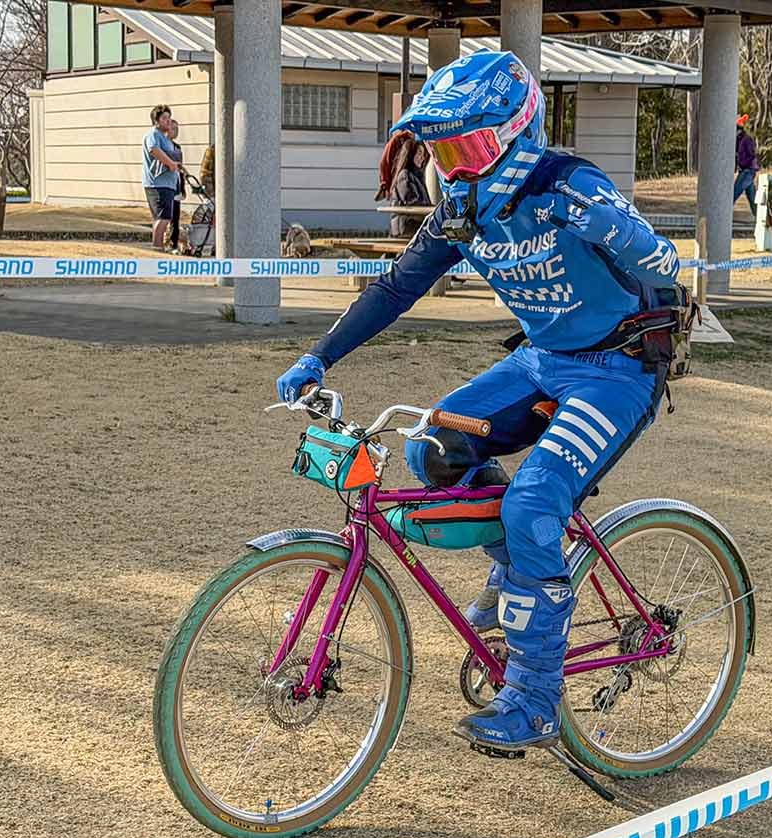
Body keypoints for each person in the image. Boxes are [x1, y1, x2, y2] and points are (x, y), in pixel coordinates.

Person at [276, 51, 681, 753]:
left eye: (472, 147)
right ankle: (513, 567)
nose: (457, 168)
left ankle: (535, 697)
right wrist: (319, 355)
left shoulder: (568, 182)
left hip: (617, 369)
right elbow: (397, 288)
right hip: (541, 360)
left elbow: (662, 264)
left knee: (532, 502)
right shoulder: (461, 210)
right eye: (444, 151)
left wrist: (623, 233)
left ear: (521, 134)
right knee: (429, 448)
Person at [375, 130, 432, 238]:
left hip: (411, 228)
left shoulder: (416, 176)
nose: (422, 157)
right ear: (410, 155)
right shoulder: (405, 176)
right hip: (406, 229)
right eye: (419, 153)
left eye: (423, 154)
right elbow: (413, 205)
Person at [143, 105, 182, 252]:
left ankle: (157, 247)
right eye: (164, 118)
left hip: (169, 184)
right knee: (163, 218)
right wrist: (171, 163)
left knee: (163, 218)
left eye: (169, 118)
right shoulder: (153, 135)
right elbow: (154, 150)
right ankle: (157, 248)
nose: (168, 121)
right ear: (156, 121)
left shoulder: (166, 140)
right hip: (157, 184)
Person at [733, 115, 759, 218]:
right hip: (747, 171)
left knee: (734, 194)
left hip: (748, 170)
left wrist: (742, 163)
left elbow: (752, 156)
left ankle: (722, 216)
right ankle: (761, 218)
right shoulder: (738, 140)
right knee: (752, 200)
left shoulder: (746, 140)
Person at [167, 119, 186, 253]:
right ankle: (163, 242)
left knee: (176, 217)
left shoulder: (177, 148)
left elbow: (180, 169)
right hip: (165, 185)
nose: (176, 131)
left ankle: (173, 244)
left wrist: (183, 187)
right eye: (173, 128)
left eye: (177, 128)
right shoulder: (162, 146)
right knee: (165, 216)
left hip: (176, 185)